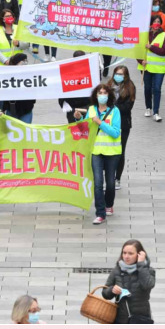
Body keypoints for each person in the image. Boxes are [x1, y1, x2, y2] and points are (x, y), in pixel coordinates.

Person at [74, 84, 122, 224]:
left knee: (111, 183)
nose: (102, 95)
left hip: (112, 152)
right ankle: (100, 213)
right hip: (95, 151)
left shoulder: (114, 111)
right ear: (96, 95)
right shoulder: (91, 110)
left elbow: (115, 132)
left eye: (104, 93)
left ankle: (109, 204)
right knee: (98, 183)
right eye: (99, 93)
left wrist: (100, 122)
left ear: (109, 95)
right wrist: (78, 119)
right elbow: (85, 129)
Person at [102, 240, 156, 324]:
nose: (126, 256)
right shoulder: (117, 270)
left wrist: (141, 265)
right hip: (120, 319)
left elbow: (147, 285)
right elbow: (105, 293)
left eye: (130, 253)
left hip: (141, 318)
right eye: (124, 253)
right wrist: (112, 290)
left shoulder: (148, 270)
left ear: (139, 254)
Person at [139, 16, 165, 122]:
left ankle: (156, 112)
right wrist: (140, 61)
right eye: (155, 21)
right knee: (147, 88)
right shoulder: (144, 35)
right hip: (146, 67)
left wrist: (151, 47)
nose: (156, 23)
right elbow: (138, 50)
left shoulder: (164, 36)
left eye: (158, 22)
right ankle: (148, 107)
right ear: (150, 23)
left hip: (159, 69)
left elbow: (164, 50)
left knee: (156, 89)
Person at [110, 65, 136, 189]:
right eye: (117, 73)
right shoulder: (108, 86)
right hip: (107, 124)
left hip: (123, 124)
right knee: (108, 151)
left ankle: (117, 178)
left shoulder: (130, 88)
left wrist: (112, 108)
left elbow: (127, 107)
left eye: (121, 74)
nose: (118, 76)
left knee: (120, 151)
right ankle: (108, 176)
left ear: (125, 76)